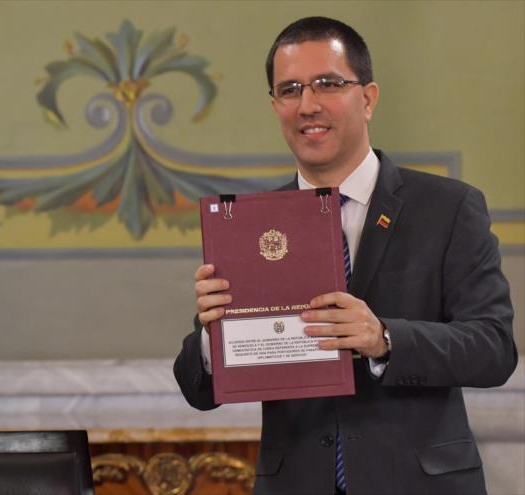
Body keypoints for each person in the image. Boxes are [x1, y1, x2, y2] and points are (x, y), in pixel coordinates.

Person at [174, 17, 517, 495]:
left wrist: (384, 338)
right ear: (275, 106)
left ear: (368, 97)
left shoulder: (448, 207)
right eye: (289, 89)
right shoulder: (250, 228)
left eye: (328, 84)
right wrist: (215, 337)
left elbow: (494, 348)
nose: (307, 105)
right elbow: (196, 390)